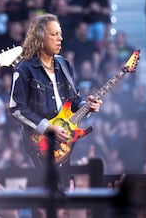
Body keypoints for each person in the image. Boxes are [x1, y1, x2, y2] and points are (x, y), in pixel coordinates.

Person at [9, 13, 102, 169]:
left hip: (65, 138)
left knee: (64, 186)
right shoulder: (25, 69)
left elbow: (74, 99)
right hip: (40, 141)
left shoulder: (64, 64)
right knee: (48, 187)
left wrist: (87, 105)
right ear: (40, 38)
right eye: (54, 34)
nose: (60, 39)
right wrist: (48, 128)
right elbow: (16, 108)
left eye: (60, 34)